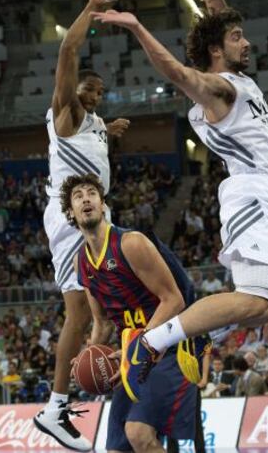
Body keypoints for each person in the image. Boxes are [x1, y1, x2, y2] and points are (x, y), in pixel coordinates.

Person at [90, 0, 268, 400]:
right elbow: (178, 73)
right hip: (254, 195)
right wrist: (138, 27)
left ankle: (205, 329)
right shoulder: (220, 91)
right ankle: (151, 342)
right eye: (236, 37)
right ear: (217, 50)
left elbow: (219, 21)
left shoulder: (235, 80)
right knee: (252, 299)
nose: (246, 41)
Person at [33, 0, 130, 452]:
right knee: (76, 313)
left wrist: (108, 128)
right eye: (90, 89)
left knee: (101, 311)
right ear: (77, 91)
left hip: (92, 213)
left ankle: (101, 348)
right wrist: (90, 11)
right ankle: (54, 406)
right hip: (71, 217)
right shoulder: (66, 113)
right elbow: (68, 52)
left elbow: (93, 132)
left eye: (100, 92)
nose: (95, 96)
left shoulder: (92, 123)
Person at [61, 173, 198, 453]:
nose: (86, 198)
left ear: (102, 205)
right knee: (117, 449)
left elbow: (173, 300)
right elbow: (102, 323)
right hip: (134, 355)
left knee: (138, 434)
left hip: (171, 347)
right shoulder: (82, 263)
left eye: (91, 193)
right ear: (70, 213)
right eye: (78, 196)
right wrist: (89, 356)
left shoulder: (130, 243)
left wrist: (140, 346)